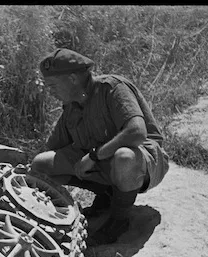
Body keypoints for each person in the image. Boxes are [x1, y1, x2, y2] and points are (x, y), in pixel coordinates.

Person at [30, 48, 169, 246]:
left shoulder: (112, 88)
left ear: (72, 79)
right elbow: (49, 152)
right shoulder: (71, 107)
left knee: (124, 157)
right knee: (41, 164)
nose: (50, 91)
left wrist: (94, 156)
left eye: (53, 85)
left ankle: (119, 220)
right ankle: (106, 195)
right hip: (104, 165)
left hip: (144, 162)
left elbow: (137, 132)